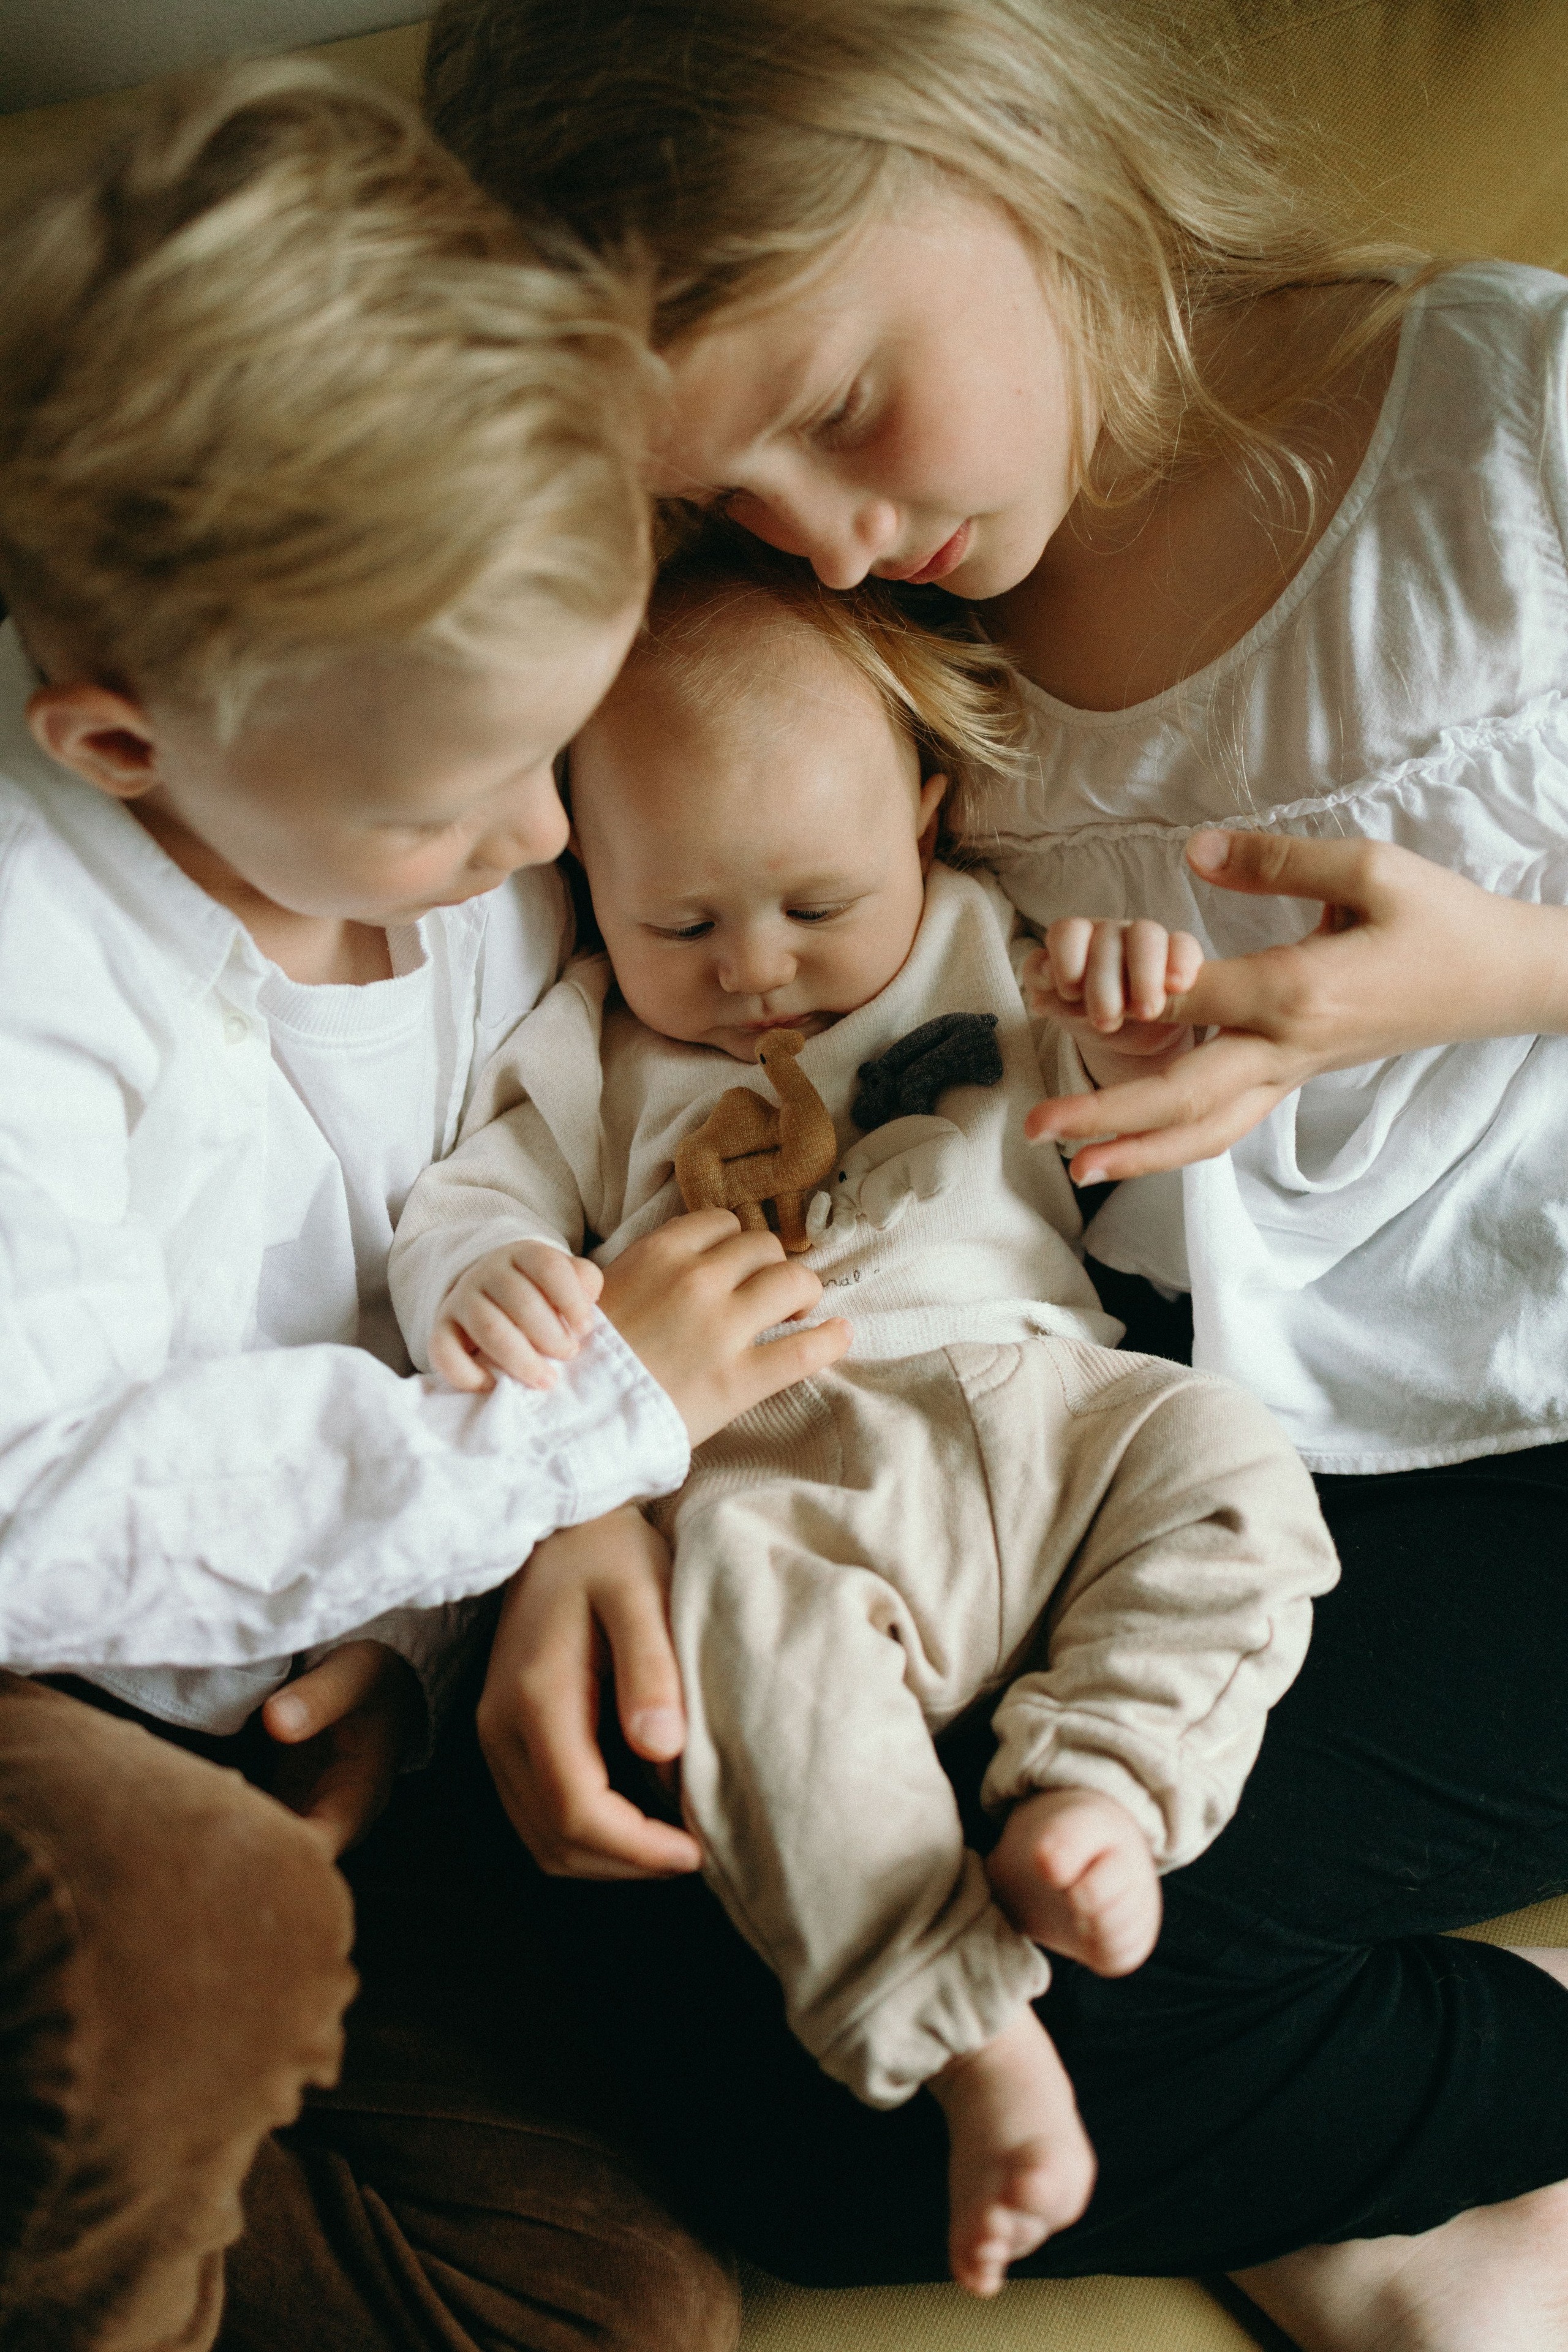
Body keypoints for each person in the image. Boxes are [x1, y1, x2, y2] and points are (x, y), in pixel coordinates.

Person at [422, 5, 1568, 2348]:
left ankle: (1403, 2176)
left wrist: (1505, 977)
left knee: (948, 2009)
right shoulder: (838, 664)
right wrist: (592, 1498)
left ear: (1008, 130)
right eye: (741, 497)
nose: (834, 529)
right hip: (1130, 1451)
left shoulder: (1507, 428)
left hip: (1536, 1447)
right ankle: (1364, 2192)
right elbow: (645, 1159)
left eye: (843, 409)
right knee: (657, 1910)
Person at [0, 60, 851, 2352]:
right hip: (47, 1637)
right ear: (119, 744)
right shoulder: (30, 958)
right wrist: (555, 1453)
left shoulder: (430, 809)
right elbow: (47, 1518)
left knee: (618, 2300)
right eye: (458, 804)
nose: (546, 852)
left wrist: (432, 1605)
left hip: (322, 1642)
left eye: (547, 766)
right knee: (186, 1933)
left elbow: (520, 1176)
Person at [387, 546, 1339, 2295]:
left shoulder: (997, 953)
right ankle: (967, 2026)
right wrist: (491, 1271)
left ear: (926, 809)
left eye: (817, 905)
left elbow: (1158, 1153)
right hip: (787, 1475)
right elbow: (470, 1192)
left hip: (1057, 1406)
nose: (755, 970)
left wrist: (1143, 1018)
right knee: (744, 1642)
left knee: (1233, 1468)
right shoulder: (589, 1042)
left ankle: (1107, 1789)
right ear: (589, 876)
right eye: (678, 920)